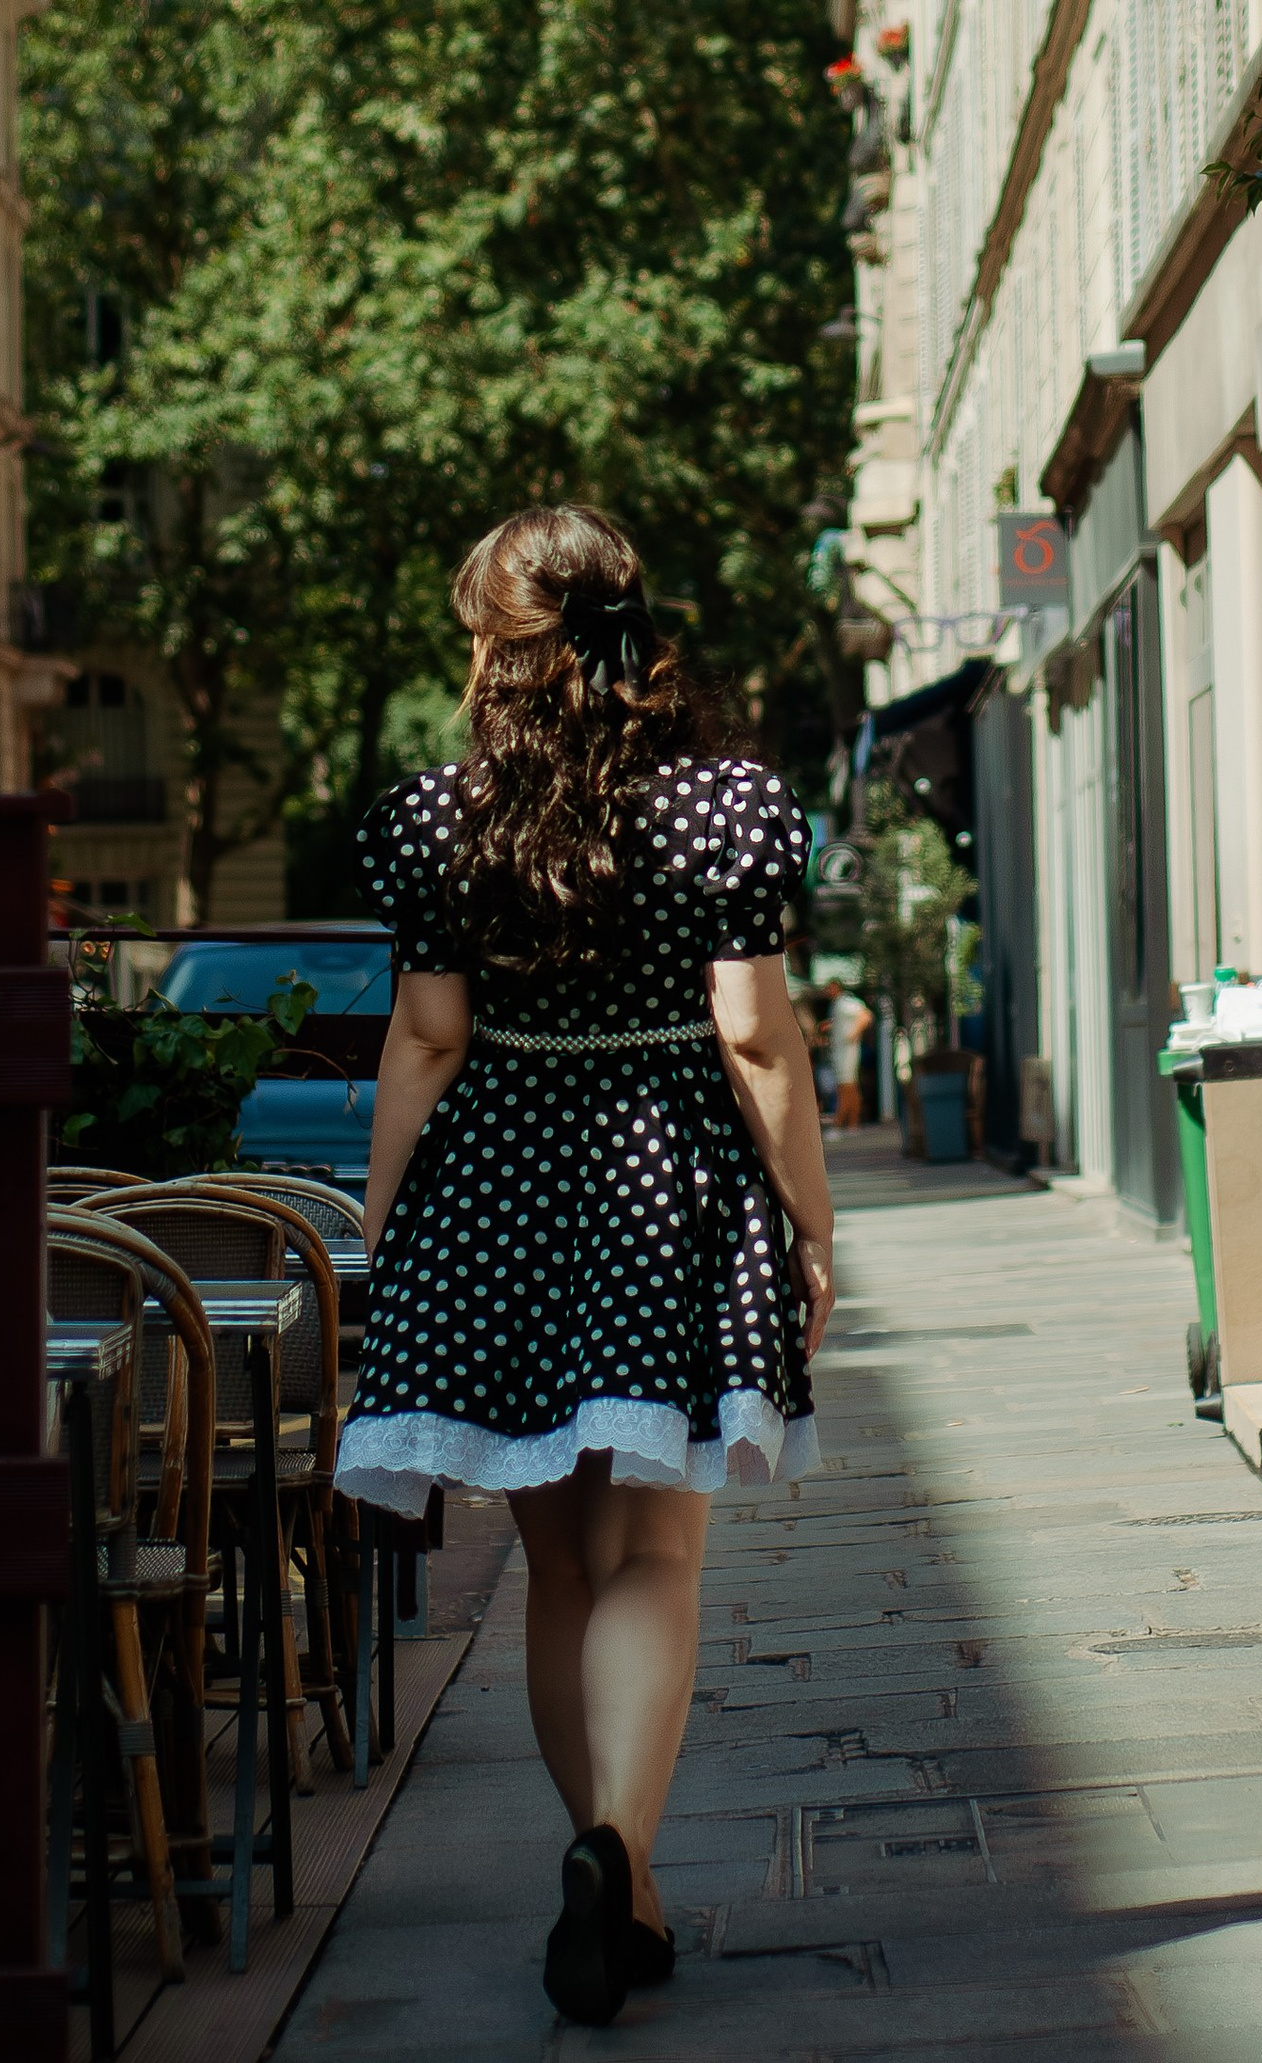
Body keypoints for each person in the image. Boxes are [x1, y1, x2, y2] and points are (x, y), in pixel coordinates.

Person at [338, 504, 834, 2026]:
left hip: (495, 1185)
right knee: (658, 1554)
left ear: (496, 643)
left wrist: (382, 1215)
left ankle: (610, 1865)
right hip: (662, 1176)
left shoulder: (436, 816)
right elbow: (754, 1032)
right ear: (635, 627)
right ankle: (620, 1852)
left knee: (560, 1562)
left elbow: (428, 1035)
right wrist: (811, 1219)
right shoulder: (723, 804)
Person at [827, 980, 875, 1130]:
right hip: (842, 1051)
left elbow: (866, 1015)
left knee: (848, 1086)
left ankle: (845, 1122)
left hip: (847, 1052)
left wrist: (853, 1034)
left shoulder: (844, 1002)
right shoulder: (837, 1005)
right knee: (845, 1086)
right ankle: (850, 1123)